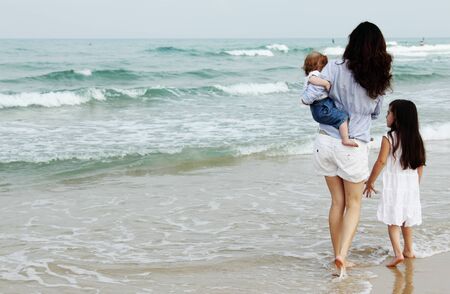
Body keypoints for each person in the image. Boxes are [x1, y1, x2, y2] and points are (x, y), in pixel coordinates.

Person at [312, 21, 392, 277]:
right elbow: (377, 112)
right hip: (354, 143)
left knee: (336, 202)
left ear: (351, 42)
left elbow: (313, 93)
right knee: (353, 204)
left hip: (325, 140)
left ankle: (338, 254)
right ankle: (342, 256)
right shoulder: (378, 76)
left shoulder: (333, 67)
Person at [364, 99, 426, 267]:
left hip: (395, 184)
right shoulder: (416, 139)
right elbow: (420, 165)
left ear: (398, 118)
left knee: (393, 221)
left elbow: (381, 162)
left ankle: (398, 253)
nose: (386, 115)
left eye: (389, 113)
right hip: (411, 185)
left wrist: (370, 182)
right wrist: (415, 185)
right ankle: (409, 250)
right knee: (407, 219)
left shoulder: (389, 137)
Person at [301, 52, 358, 147]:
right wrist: (325, 83)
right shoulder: (315, 74)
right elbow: (312, 79)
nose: (326, 67)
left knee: (340, 118)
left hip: (320, 108)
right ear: (317, 66)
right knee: (343, 118)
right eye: (323, 64)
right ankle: (345, 139)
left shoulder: (314, 75)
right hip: (322, 107)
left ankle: (350, 135)